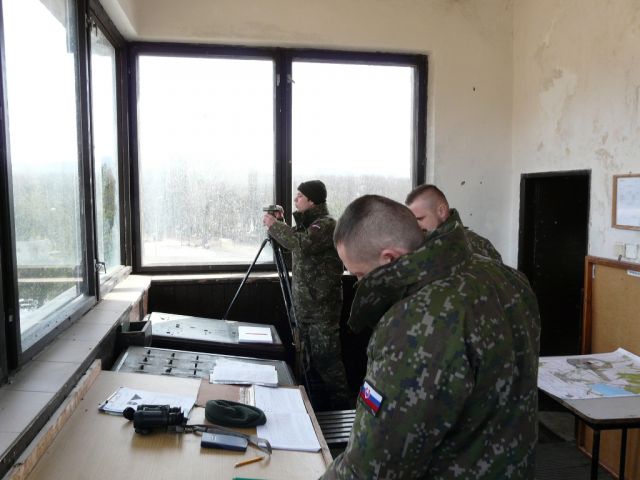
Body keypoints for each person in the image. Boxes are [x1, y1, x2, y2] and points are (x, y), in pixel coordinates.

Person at [322, 194, 540, 479]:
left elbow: (375, 465)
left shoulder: (414, 321)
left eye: (360, 274)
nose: (360, 283)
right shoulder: (509, 278)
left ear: (390, 258)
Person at [263, 180, 351, 409]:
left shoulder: (327, 225)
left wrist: (275, 226)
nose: (295, 199)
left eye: (300, 196)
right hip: (303, 307)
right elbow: (291, 245)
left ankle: (343, 410)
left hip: (322, 309)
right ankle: (315, 406)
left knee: (327, 361)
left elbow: (302, 244)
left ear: (312, 200)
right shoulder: (306, 226)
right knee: (306, 362)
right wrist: (281, 224)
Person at [405, 184, 502, 261]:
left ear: (441, 211)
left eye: (420, 219)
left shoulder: (479, 245)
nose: (416, 226)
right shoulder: (416, 244)